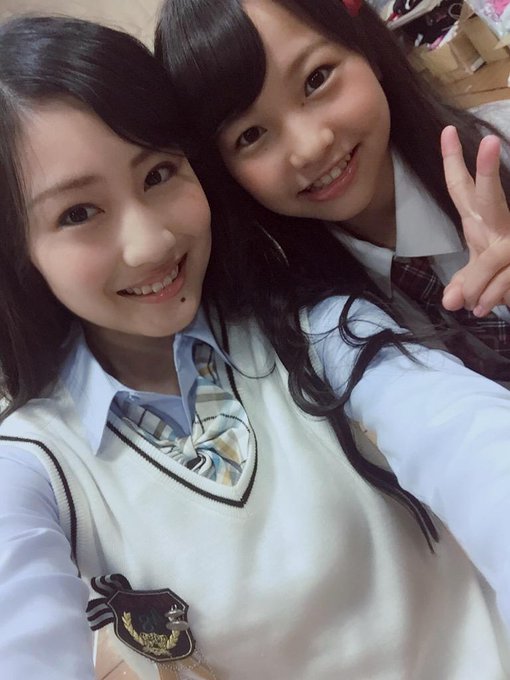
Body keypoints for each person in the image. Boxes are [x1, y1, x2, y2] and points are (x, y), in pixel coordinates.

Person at [3, 13, 510, 680]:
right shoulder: (32, 466)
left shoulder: (315, 325)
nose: (151, 244)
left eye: (159, 173)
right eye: (77, 213)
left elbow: (463, 436)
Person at [155, 0, 510, 385]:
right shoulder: (306, 325)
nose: (309, 147)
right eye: (251, 135)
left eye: (316, 79)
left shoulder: (500, 148)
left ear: (365, 47)